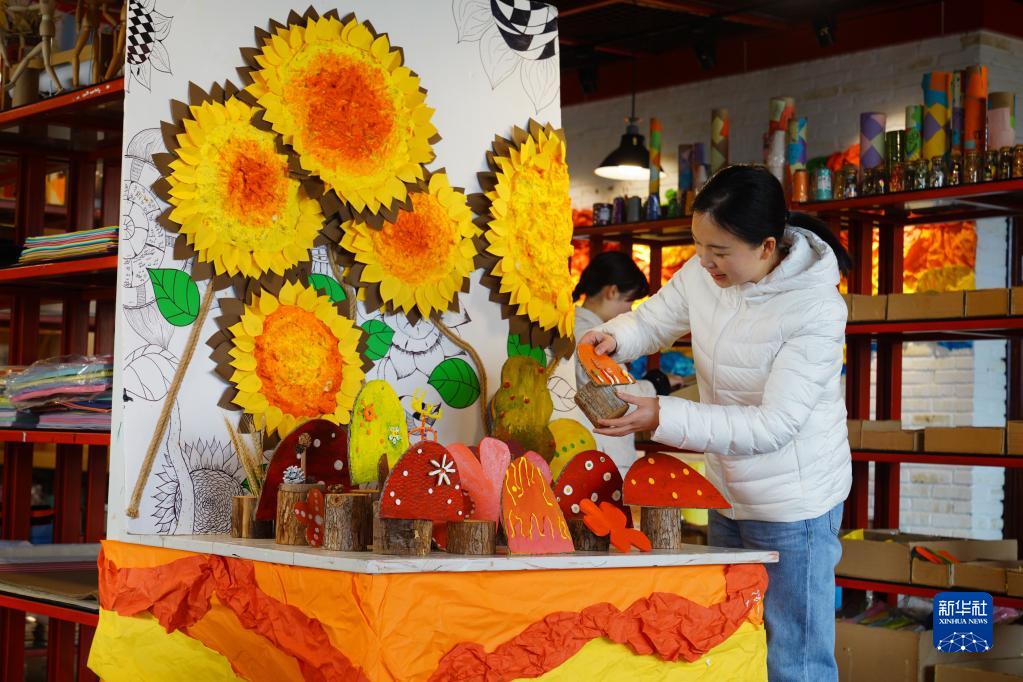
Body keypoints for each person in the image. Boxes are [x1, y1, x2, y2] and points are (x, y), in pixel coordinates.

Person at [580, 164, 852, 682]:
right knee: (731, 647)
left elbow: (774, 425)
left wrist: (661, 415)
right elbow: (653, 319)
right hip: (727, 492)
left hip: (793, 504)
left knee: (792, 659)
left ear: (767, 247)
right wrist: (616, 336)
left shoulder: (816, 308)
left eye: (719, 251)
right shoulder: (705, 273)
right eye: (699, 245)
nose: (704, 261)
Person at [572, 250, 685, 477]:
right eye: (629, 301)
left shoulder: (571, 326)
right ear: (612, 291)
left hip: (588, 450)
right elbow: (618, 397)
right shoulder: (590, 336)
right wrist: (657, 384)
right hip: (601, 454)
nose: (629, 310)